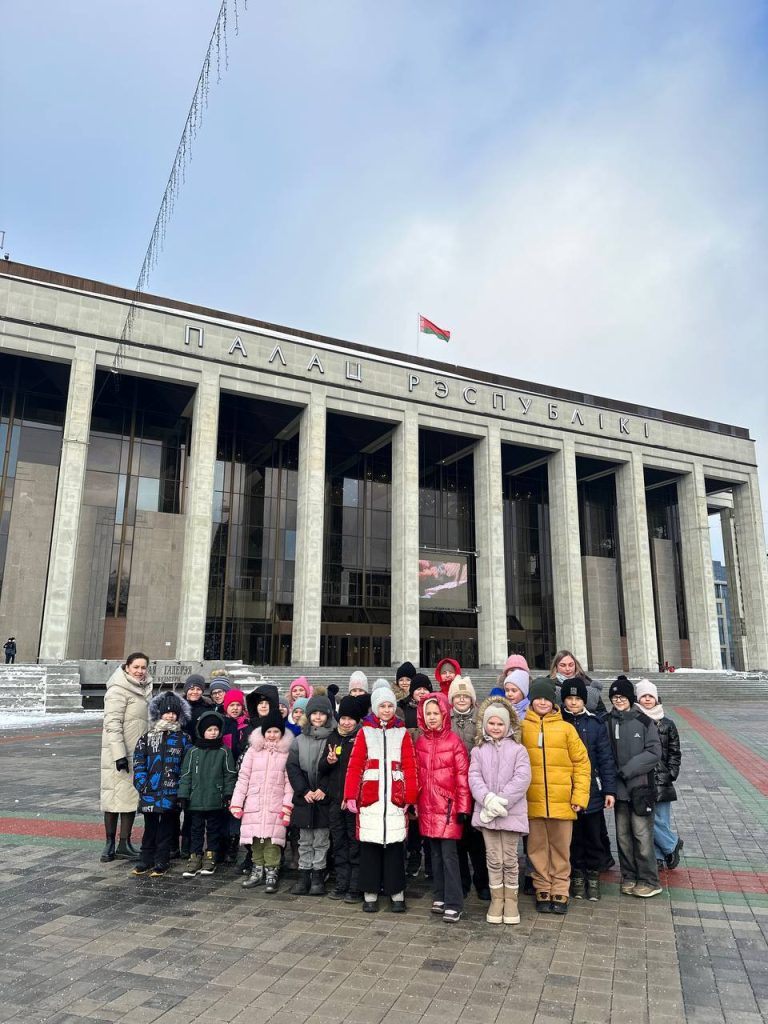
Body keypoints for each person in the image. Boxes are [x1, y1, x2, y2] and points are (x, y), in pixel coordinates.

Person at [344, 685, 418, 913]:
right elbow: (355, 766)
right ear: (375, 709)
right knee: (370, 849)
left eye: (390, 706)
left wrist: (410, 796)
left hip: (395, 800)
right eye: (382, 706)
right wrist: (350, 795)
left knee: (394, 850)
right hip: (371, 799)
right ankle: (370, 893)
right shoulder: (365, 732)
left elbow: (410, 766)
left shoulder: (402, 732)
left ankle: (397, 893)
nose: (386, 710)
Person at [521, 678, 591, 915]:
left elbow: (582, 763)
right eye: (538, 698)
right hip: (532, 801)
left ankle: (560, 887)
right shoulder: (522, 727)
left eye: (547, 699)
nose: (542, 702)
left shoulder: (566, 729)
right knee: (536, 848)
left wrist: (579, 796)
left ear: (553, 702)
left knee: (561, 849)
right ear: (531, 700)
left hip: (562, 801)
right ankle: (542, 886)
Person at [469, 696, 531, 925]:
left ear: (508, 725)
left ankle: (511, 900)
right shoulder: (478, 750)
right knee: (493, 858)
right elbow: (474, 777)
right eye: (491, 723)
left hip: (510, 812)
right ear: (485, 724)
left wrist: (500, 802)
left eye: (500, 724)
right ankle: (497, 899)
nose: (495, 728)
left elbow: (522, 778)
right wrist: (487, 799)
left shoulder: (518, 750)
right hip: (487, 812)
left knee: (510, 858)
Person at [415, 692, 472, 922]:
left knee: (450, 856)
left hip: (448, 808)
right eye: (428, 713)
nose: (431, 717)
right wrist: (415, 802)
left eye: (436, 713)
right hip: (428, 807)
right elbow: (417, 775)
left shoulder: (454, 742)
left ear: (444, 714)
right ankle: (439, 895)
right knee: (434, 855)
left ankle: (454, 902)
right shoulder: (421, 742)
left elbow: (462, 777)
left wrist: (463, 808)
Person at [560, 678, 617, 900]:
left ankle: (593, 876)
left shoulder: (595, 724)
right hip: (567, 790)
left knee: (593, 836)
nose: (573, 702)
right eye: (569, 698)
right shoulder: (559, 722)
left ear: (584, 700)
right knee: (573, 837)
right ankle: (577, 874)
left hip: (592, 789)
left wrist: (609, 790)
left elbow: (605, 759)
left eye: (577, 698)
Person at [606, 676, 663, 898]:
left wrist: (628, 769)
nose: (619, 700)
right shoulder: (608, 721)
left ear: (630, 698)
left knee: (642, 835)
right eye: (615, 697)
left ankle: (649, 880)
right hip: (619, 789)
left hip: (640, 788)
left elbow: (654, 752)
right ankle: (629, 876)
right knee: (622, 836)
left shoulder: (645, 722)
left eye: (622, 696)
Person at [230, 710, 293, 894]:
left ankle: (272, 871)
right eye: (269, 731)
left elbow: (289, 783)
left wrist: (287, 806)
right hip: (254, 804)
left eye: (276, 731)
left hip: (275, 804)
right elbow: (243, 778)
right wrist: (237, 802)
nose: (272, 735)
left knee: (273, 841)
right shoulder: (253, 751)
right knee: (256, 840)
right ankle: (257, 870)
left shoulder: (286, 753)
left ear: (281, 733)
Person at [99, 652, 153, 862]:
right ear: (127, 667)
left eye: (143, 667)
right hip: (119, 755)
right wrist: (119, 755)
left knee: (129, 798)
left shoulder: (144, 689)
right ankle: (109, 844)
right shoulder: (118, 690)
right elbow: (112, 724)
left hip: (137, 754)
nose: (140, 671)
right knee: (114, 797)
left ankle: (124, 843)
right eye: (136, 667)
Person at [131, 691, 191, 877]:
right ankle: (145, 859)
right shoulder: (148, 737)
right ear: (159, 714)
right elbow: (139, 761)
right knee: (150, 828)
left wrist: (182, 788)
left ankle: (162, 860)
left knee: (166, 828)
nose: (170, 716)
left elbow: (187, 765)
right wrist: (142, 783)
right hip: (150, 790)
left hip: (171, 791)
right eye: (167, 712)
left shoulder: (183, 738)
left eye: (174, 713)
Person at [286, 694, 334, 896]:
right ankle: (304, 874)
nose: (318, 717)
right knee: (304, 840)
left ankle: (318, 876)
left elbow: (335, 769)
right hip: (304, 797)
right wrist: (303, 790)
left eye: (322, 714)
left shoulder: (333, 738)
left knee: (321, 840)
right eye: (314, 713)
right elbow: (292, 767)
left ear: (328, 716)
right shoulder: (298, 740)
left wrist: (324, 788)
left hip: (323, 797)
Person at [178, 710, 237, 877]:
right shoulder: (193, 752)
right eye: (209, 730)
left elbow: (229, 774)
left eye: (216, 730)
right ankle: (195, 856)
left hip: (215, 799)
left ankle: (211, 855)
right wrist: (183, 795)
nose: (213, 733)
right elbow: (186, 774)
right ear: (202, 731)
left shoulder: (224, 751)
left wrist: (227, 794)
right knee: (195, 829)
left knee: (213, 829)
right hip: (196, 799)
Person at [318, 694, 365, 902]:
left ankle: (355, 887)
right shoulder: (333, 737)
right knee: (339, 843)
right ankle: (341, 884)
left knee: (355, 844)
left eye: (350, 719)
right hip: (336, 801)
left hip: (354, 802)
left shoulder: (361, 737)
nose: (346, 723)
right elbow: (322, 769)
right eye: (343, 718)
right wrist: (329, 762)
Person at [449, 676, 490, 901]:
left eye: (466, 696)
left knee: (478, 840)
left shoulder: (482, 720)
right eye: (458, 696)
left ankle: (482, 882)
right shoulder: (446, 719)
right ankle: (462, 882)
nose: (462, 700)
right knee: (458, 839)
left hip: (476, 786)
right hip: (453, 788)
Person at [635, 680, 683, 870]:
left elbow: (674, 751)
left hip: (663, 779)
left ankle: (660, 857)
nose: (647, 699)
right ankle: (672, 844)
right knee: (648, 817)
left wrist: (671, 773)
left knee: (661, 819)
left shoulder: (668, 724)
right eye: (643, 696)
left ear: (656, 698)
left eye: (650, 696)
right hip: (642, 778)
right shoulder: (633, 721)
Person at [550, 650, 606, 715]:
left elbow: (602, 712)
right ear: (556, 666)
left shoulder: (588, 684)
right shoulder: (549, 685)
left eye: (571, 665)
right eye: (563, 665)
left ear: (575, 665)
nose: (567, 669)